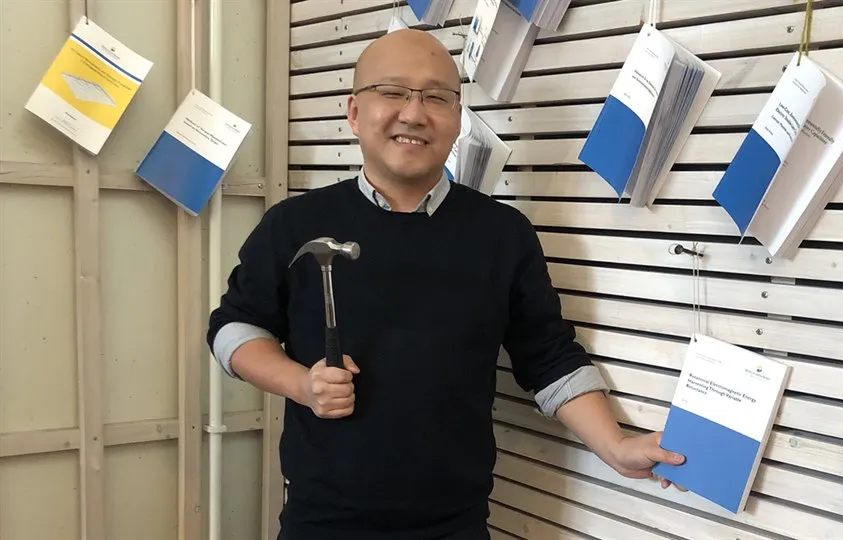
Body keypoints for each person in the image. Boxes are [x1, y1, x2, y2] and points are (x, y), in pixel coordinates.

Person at [207, 28, 685, 540]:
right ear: (353, 112)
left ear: (457, 119)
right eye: (392, 92)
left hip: (455, 525)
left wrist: (614, 446)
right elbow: (233, 329)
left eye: (436, 97)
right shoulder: (293, 224)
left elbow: (548, 357)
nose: (413, 113)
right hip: (321, 522)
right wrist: (301, 385)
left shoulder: (503, 235)